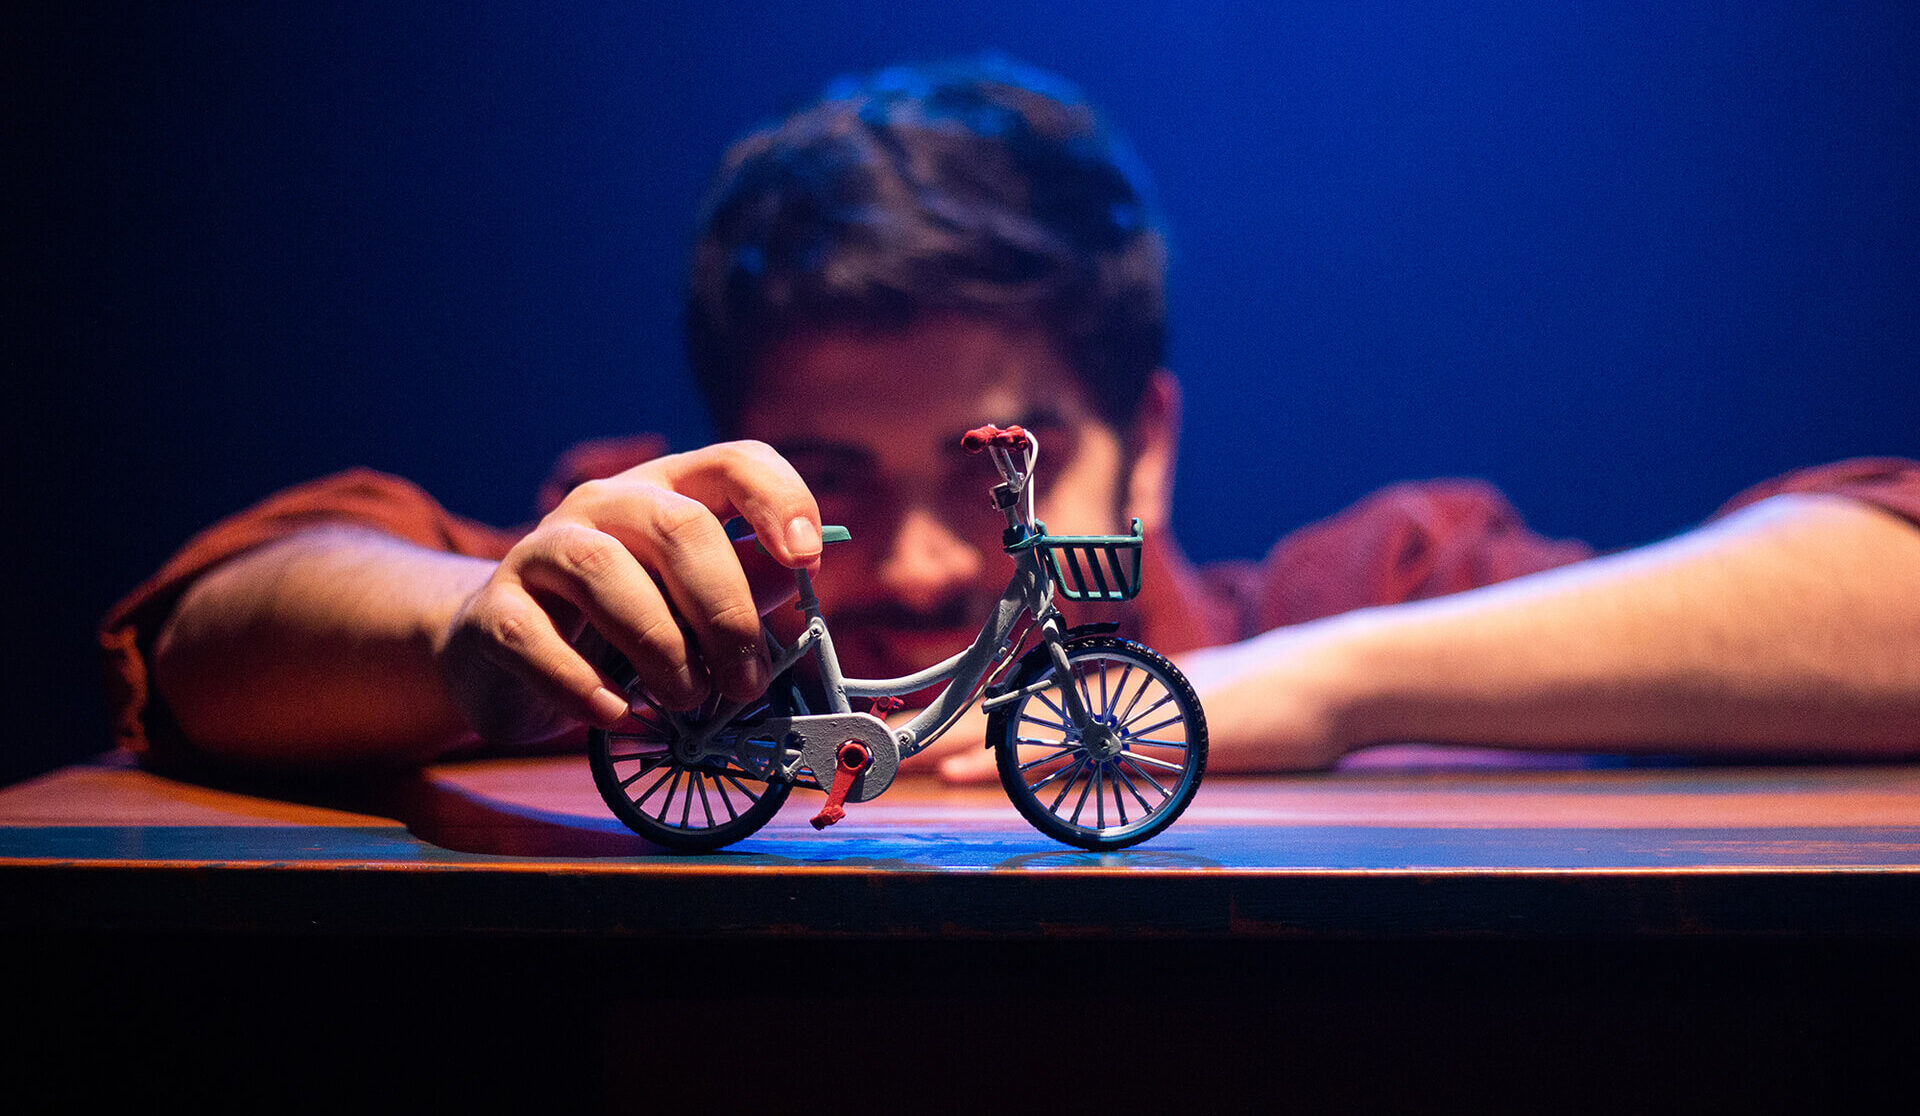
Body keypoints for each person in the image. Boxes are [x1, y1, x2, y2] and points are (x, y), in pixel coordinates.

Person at [103, 57, 1920, 782]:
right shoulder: (639, 605)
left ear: (1145, 444)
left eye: (993, 467)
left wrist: (1333, 690)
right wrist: (474, 637)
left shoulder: (1366, 589)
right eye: (828, 478)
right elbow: (216, 624)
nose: (900, 558)